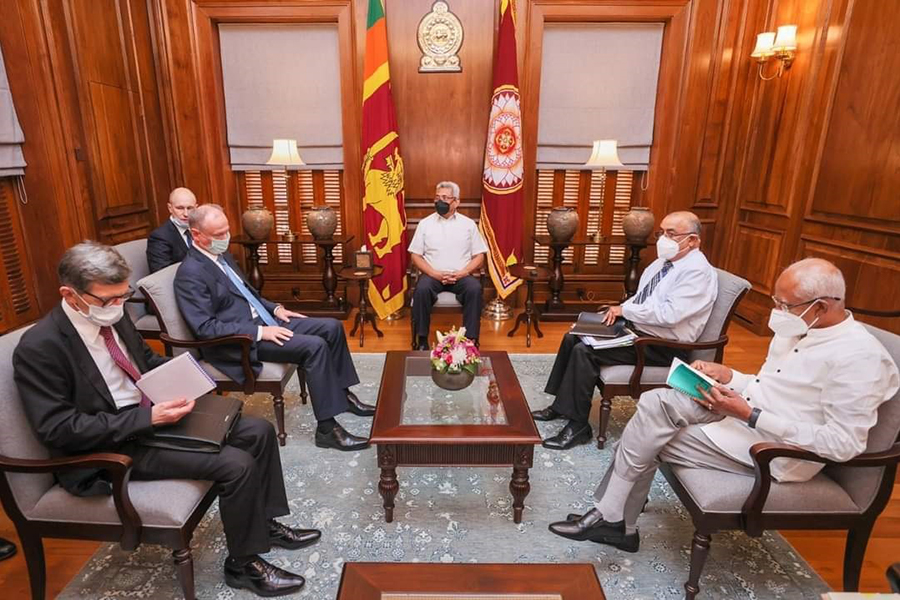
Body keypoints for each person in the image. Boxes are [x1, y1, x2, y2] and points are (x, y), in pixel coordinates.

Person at [13, 242, 318, 596]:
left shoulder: (113, 315)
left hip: (149, 416)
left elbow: (145, 359)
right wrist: (148, 418)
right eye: (107, 299)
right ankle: (243, 565)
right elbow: (59, 429)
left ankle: (264, 525)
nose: (117, 306)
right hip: (109, 446)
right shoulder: (41, 347)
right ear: (70, 294)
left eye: (123, 296)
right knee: (235, 464)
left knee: (258, 430)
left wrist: (186, 380)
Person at [548, 258, 899, 553]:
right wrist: (731, 376)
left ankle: (613, 519)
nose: (776, 311)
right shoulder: (801, 329)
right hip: (744, 413)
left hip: (774, 450)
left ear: (820, 307)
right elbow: (768, 385)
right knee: (655, 402)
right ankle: (615, 521)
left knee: (648, 433)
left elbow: (843, 445)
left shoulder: (859, 358)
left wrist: (751, 415)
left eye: (783, 305)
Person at [174, 204, 374, 451]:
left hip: (266, 320)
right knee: (315, 347)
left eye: (226, 231)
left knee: (332, 327)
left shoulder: (222, 257)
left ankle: (342, 396)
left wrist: (275, 308)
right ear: (196, 235)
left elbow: (247, 293)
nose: (225, 238)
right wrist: (260, 332)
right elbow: (205, 327)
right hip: (242, 340)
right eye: (218, 235)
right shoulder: (190, 273)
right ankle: (326, 429)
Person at [533, 211, 718, 450]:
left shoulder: (697, 272)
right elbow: (640, 298)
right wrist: (617, 311)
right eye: (661, 232)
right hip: (639, 330)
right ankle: (561, 406)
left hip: (663, 345)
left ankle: (579, 425)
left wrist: (625, 312)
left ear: (692, 240)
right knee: (573, 337)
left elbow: (670, 315)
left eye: (671, 234)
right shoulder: (663, 264)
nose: (663, 239)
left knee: (585, 351)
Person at [409, 181, 488, 350]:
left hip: (460, 275)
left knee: (474, 289)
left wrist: (463, 272)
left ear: (456, 202)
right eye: (437, 198)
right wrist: (434, 273)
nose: (440, 202)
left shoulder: (468, 225)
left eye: (445, 198)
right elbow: (415, 255)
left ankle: (470, 340)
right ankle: (422, 338)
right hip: (433, 275)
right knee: (422, 290)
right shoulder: (425, 224)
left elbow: (479, 255)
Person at [147, 187, 198, 273]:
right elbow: (162, 272)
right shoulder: (159, 237)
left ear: (196, 208)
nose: (186, 214)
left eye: (190, 208)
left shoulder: (201, 228)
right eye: (180, 208)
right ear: (170, 208)